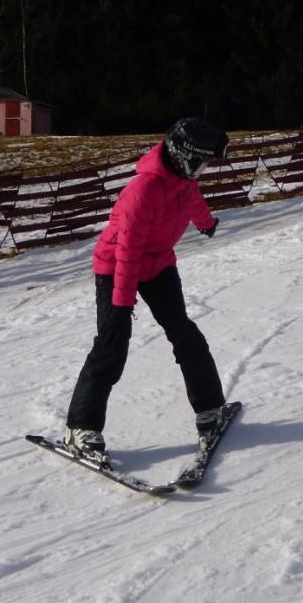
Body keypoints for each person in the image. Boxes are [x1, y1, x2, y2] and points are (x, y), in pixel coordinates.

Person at [62, 116, 231, 465]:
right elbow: (127, 251)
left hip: (158, 265)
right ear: (182, 156)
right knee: (112, 343)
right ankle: (81, 427)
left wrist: (207, 224)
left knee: (184, 333)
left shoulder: (184, 181)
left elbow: (191, 202)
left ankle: (211, 409)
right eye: (199, 162)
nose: (201, 171)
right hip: (117, 267)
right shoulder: (143, 191)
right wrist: (122, 306)